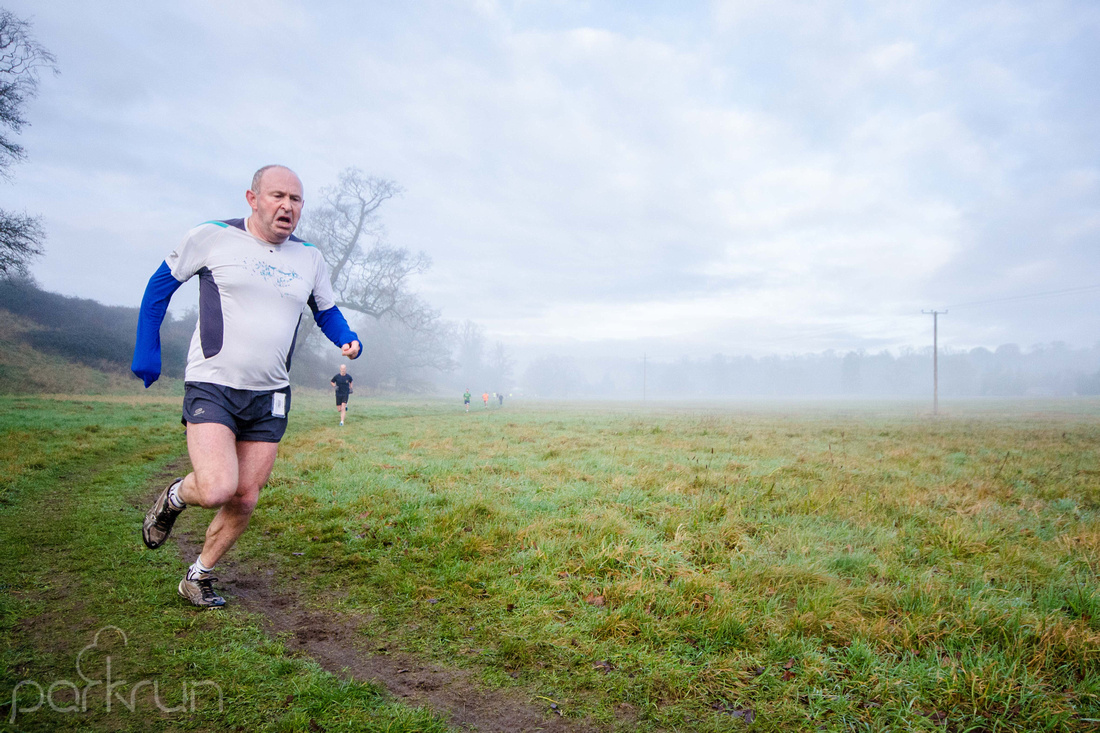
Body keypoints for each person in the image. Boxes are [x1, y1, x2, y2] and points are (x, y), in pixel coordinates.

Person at [131, 165, 361, 609]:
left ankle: (199, 576)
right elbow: (158, 289)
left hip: (271, 392)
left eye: (296, 200)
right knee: (217, 487)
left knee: (245, 496)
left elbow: (326, 310)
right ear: (252, 198)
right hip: (213, 383)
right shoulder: (212, 236)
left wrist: (347, 338)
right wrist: (147, 349)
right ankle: (175, 496)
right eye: (277, 196)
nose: (287, 206)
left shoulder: (309, 258)